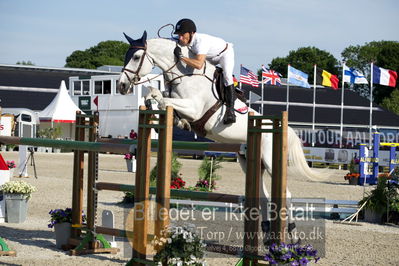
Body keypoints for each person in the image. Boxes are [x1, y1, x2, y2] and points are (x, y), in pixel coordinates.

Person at [173, 18, 236, 125]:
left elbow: (198, 64)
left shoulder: (200, 42)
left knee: (227, 77)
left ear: (192, 33)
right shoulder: (185, 39)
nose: (180, 37)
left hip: (224, 54)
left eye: (183, 34)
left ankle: (230, 111)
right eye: (179, 35)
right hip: (209, 56)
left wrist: (182, 57)